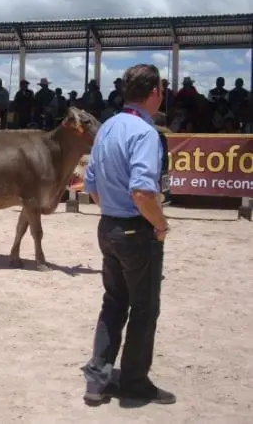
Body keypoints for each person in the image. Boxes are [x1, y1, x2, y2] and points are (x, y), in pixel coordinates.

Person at [82, 63, 176, 406]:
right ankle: (135, 382)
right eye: (161, 91)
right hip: (136, 230)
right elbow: (142, 191)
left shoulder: (107, 127)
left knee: (114, 301)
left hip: (107, 225)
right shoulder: (145, 133)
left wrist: (111, 209)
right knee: (144, 307)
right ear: (154, 93)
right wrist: (161, 225)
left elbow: (91, 186)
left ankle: (98, 376)